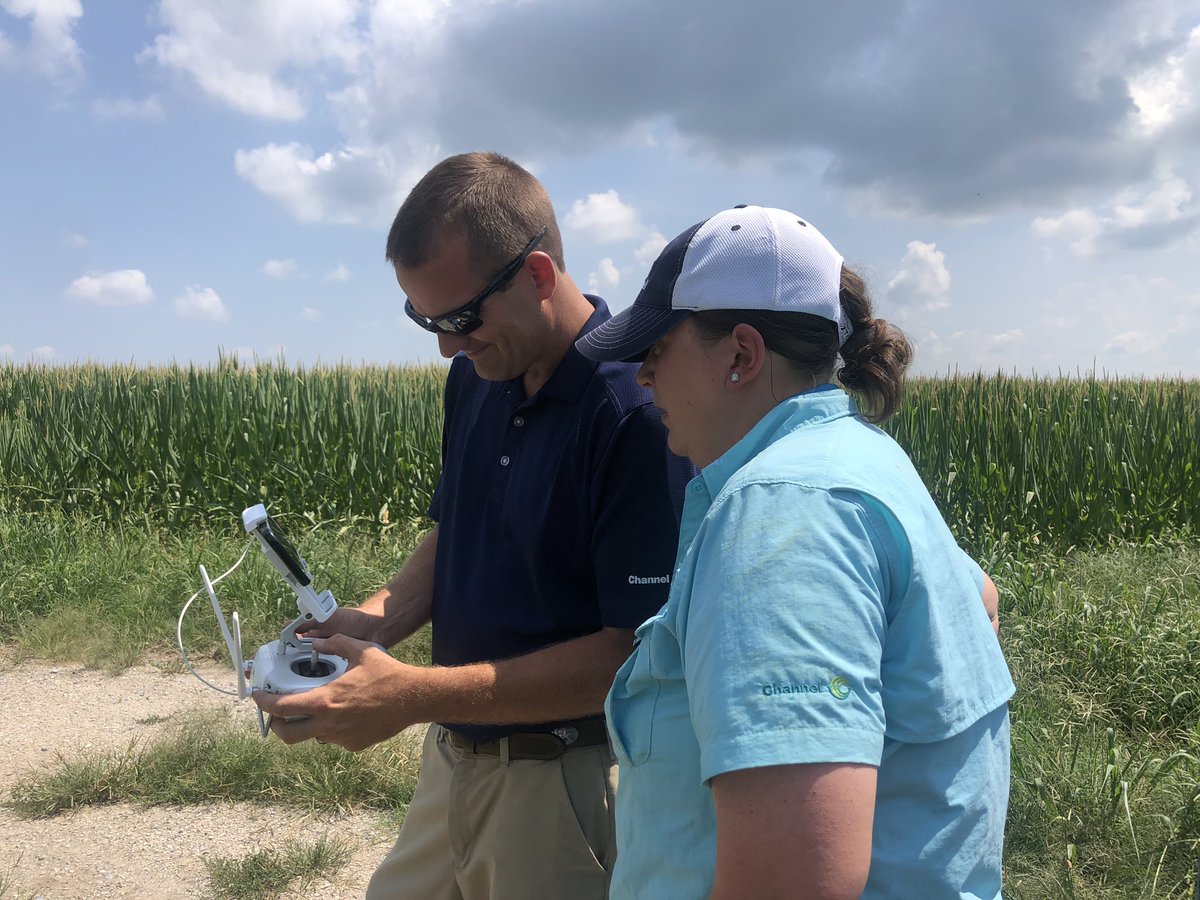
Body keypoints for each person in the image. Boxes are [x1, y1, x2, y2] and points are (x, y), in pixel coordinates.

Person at [253, 152, 693, 899]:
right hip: (454, 757)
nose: (447, 345)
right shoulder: (479, 378)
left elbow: (632, 655)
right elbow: (455, 529)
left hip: (561, 783)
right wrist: (376, 622)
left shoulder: (636, 414)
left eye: (459, 318)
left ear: (539, 277)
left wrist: (413, 694)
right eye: (424, 318)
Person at [576, 205, 1015, 899]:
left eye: (656, 347)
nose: (643, 376)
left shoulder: (781, 513)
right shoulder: (860, 460)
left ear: (742, 355)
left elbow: (794, 882)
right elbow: (978, 595)